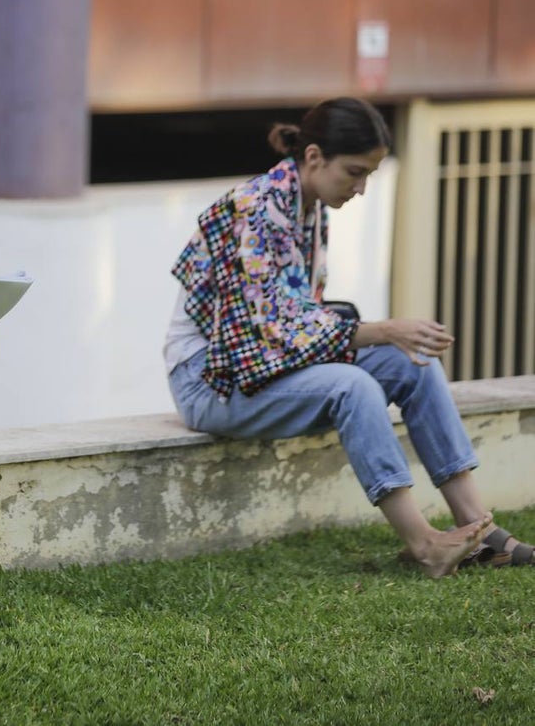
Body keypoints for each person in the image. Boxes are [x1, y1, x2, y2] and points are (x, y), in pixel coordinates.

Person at [165, 96, 535, 579]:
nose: (360, 189)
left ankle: (480, 531)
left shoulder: (305, 205)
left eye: (368, 176)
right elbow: (268, 334)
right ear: (314, 156)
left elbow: (297, 322)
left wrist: (384, 339)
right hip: (210, 383)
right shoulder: (253, 211)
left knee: (412, 362)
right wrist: (380, 330)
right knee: (352, 383)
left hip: (259, 369)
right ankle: (425, 546)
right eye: (354, 172)